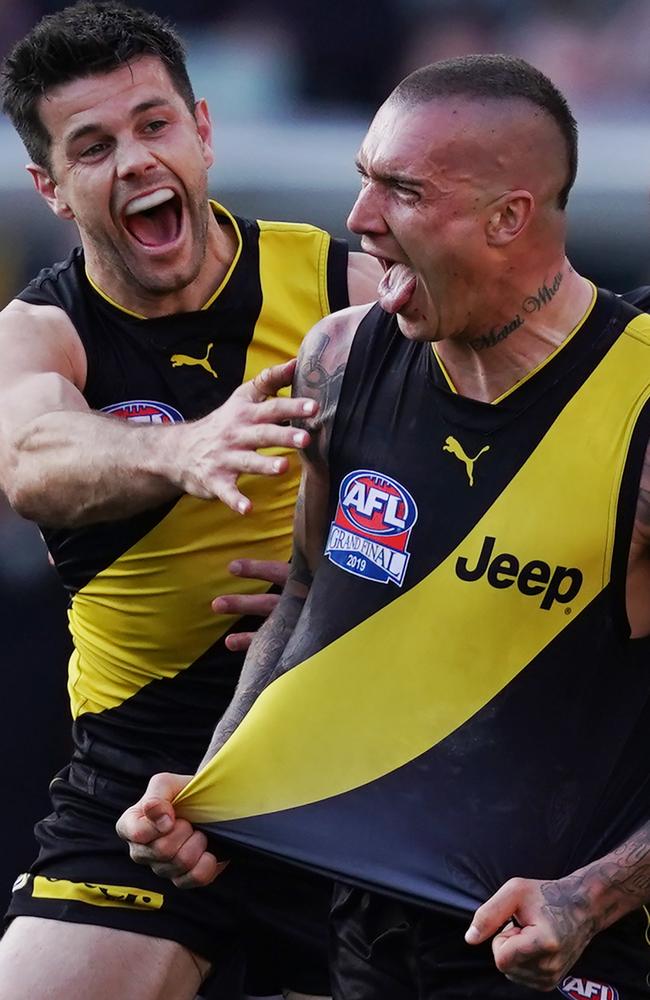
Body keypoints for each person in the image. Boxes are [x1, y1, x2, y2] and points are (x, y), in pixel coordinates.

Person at [118, 55, 650, 1000]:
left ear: (508, 218)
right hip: (369, 927)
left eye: (401, 190)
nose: (360, 220)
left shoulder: (639, 412)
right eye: (364, 179)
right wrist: (212, 789)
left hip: (558, 952)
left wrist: (589, 899)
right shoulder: (341, 355)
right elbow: (307, 594)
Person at [0, 3, 381, 999]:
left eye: (153, 125)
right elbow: (31, 456)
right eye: (93, 147)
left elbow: (485, 470)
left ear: (202, 130)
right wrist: (183, 447)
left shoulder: (348, 284)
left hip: (360, 751)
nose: (133, 160)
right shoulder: (43, 330)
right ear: (50, 187)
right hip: (144, 764)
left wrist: (335, 596)